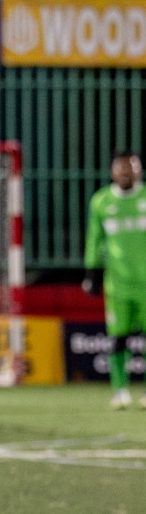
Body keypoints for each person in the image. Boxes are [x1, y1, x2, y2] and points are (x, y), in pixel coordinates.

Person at [83, 150, 146, 408]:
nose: (125, 173)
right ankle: (120, 391)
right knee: (118, 337)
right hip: (118, 285)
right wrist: (92, 272)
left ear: (139, 171)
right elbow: (94, 240)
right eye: (120, 168)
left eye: (130, 167)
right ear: (112, 172)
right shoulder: (101, 202)